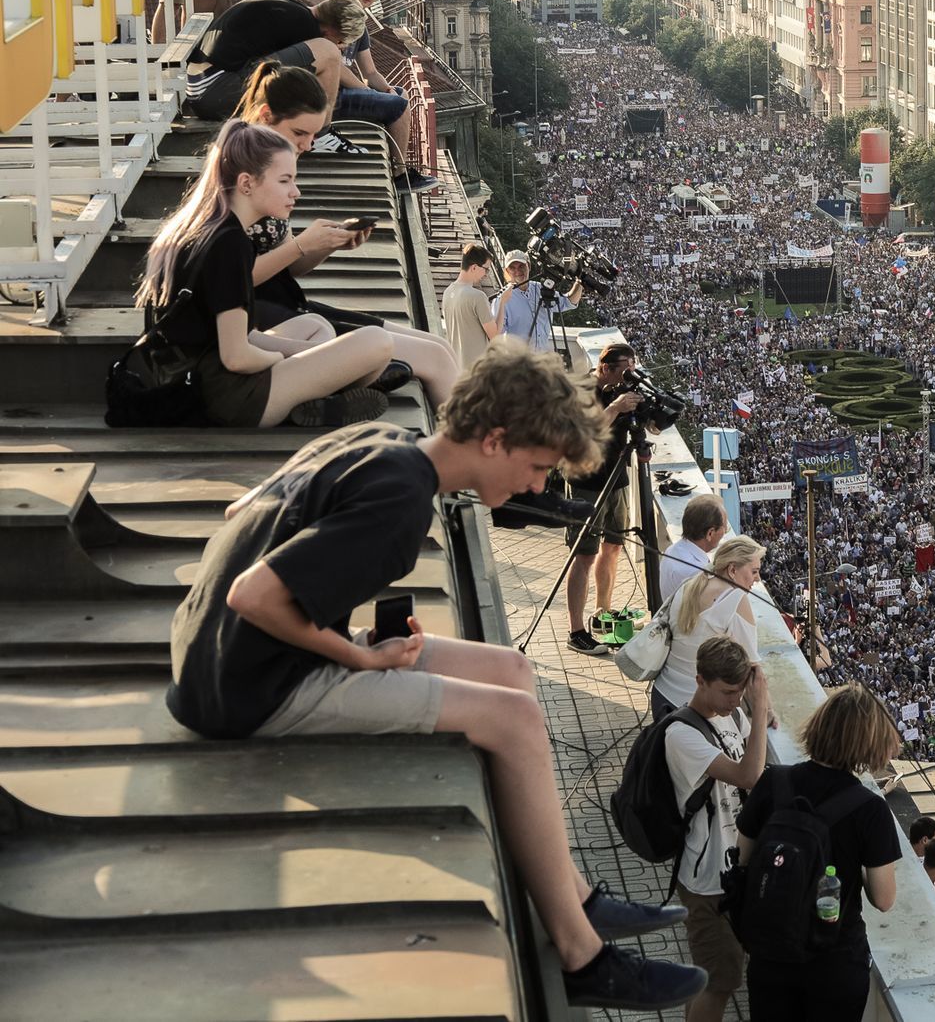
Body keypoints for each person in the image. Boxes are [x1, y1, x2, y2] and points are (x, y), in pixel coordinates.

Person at [164, 341, 705, 1011]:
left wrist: (342, 628)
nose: (537, 486)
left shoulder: (386, 440)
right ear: (495, 439)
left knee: (510, 669)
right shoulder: (402, 504)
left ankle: (577, 893)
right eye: (535, 466)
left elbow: (241, 513)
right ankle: (581, 954)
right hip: (248, 689)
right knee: (514, 719)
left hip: (219, 655)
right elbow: (253, 595)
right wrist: (358, 656)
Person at [136, 120, 394, 428]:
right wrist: (288, 360)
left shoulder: (206, 228)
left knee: (313, 325)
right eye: (285, 181)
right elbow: (237, 357)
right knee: (378, 342)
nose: (295, 192)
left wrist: (315, 355)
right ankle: (319, 395)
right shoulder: (229, 245)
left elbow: (237, 337)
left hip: (203, 380)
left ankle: (319, 401)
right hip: (230, 398)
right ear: (246, 183)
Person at [233, 62, 461, 404]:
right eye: (300, 134)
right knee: (437, 359)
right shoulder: (240, 174)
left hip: (288, 304)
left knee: (441, 345)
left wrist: (327, 245)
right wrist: (299, 245)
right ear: (266, 116)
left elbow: (288, 268)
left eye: (314, 135)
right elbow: (227, 279)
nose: (309, 146)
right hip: (260, 314)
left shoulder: (274, 166)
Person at [736, 683, 901, 1021]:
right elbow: (883, 899)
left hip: (771, 953)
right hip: (835, 960)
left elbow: (744, 859)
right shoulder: (870, 809)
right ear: (869, 744)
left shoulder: (773, 782)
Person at [665, 636, 770, 1022]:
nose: (733, 701)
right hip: (705, 879)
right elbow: (749, 774)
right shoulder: (681, 734)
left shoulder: (732, 717)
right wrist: (760, 709)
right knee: (721, 979)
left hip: (731, 868)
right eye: (727, 692)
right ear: (700, 680)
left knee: (711, 977)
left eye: (739, 692)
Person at [565, 344, 648, 656]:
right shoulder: (581, 390)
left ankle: (602, 612)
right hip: (587, 481)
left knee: (612, 547)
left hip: (617, 478)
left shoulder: (625, 388)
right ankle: (576, 631)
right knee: (583, 555)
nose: (630, 374)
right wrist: (615, 407)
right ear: (606, 368)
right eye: (626, 368)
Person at [330, 0, 436, 192]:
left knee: (399, 94)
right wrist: (367, 91)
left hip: (343, 92)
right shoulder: (337, 13)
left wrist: (386, 89)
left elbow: (370, 71)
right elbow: (334, 67)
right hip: (328, 97)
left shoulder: (360, 25)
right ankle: (399, 174)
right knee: (397, 105)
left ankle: (398, 164)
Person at [185, 0, 367, 124]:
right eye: (341, 40)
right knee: (328, 52)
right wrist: (366, 92)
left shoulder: (288, 8)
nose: (340, 46)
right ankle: (322, 132)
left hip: (199, 88)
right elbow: (330, 62)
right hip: (214, 91)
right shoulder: (304, 27)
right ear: (332, 30)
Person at [652, 536, 769, 714]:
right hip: (692, 708)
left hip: (662, 694)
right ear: (732, 569)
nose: (758, 578)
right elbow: (752, 668)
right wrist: (766, 710)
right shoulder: (736, 599)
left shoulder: (691, 584)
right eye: (754, 571)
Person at [495, 253, 580, 356]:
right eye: (512, 268)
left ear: (529, 266)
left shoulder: (541, 288)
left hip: (542, 359)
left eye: (521, 266)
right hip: (517, 362)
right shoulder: (502, 298)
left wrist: (579, 281)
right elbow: (496, 334)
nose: (517, 271)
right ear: (507, 271)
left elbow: (569, 302)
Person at [661, 494, 727, 604]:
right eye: (724, 528)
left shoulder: (672, 550)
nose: (725, 533)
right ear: (710, 533)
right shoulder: (697, 572)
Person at [442, 244, 499, 369]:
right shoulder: (477, 297)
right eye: (486, 269)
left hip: (456, 368)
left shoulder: (448, 292)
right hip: (476, 370)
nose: (486, 274)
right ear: (474, 267)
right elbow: (495, 337)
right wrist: (503, 302)